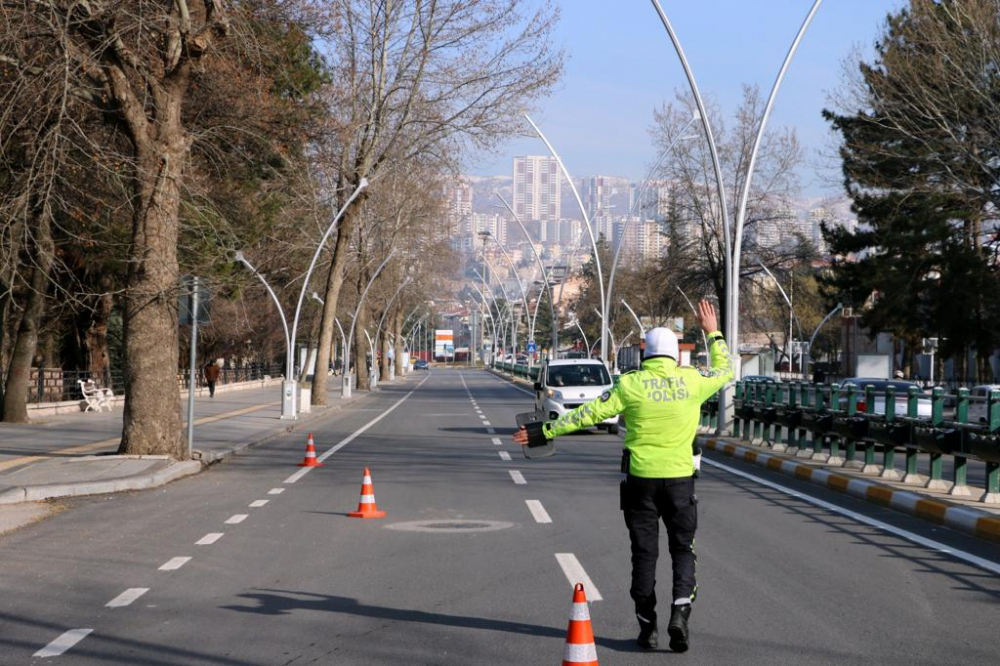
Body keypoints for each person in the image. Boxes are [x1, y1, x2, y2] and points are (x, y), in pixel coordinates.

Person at [514, 299, 733, 653]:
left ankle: (647, 628)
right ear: (676, 356)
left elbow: (587, 414)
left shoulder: (630, 385)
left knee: (644, 555)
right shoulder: (692, 381)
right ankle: (680, 612)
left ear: (644, 354)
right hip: (680, 481)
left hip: (640, 482)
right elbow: (725, 371)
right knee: (683, 550)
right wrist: (713, 333)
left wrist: (544, 431)